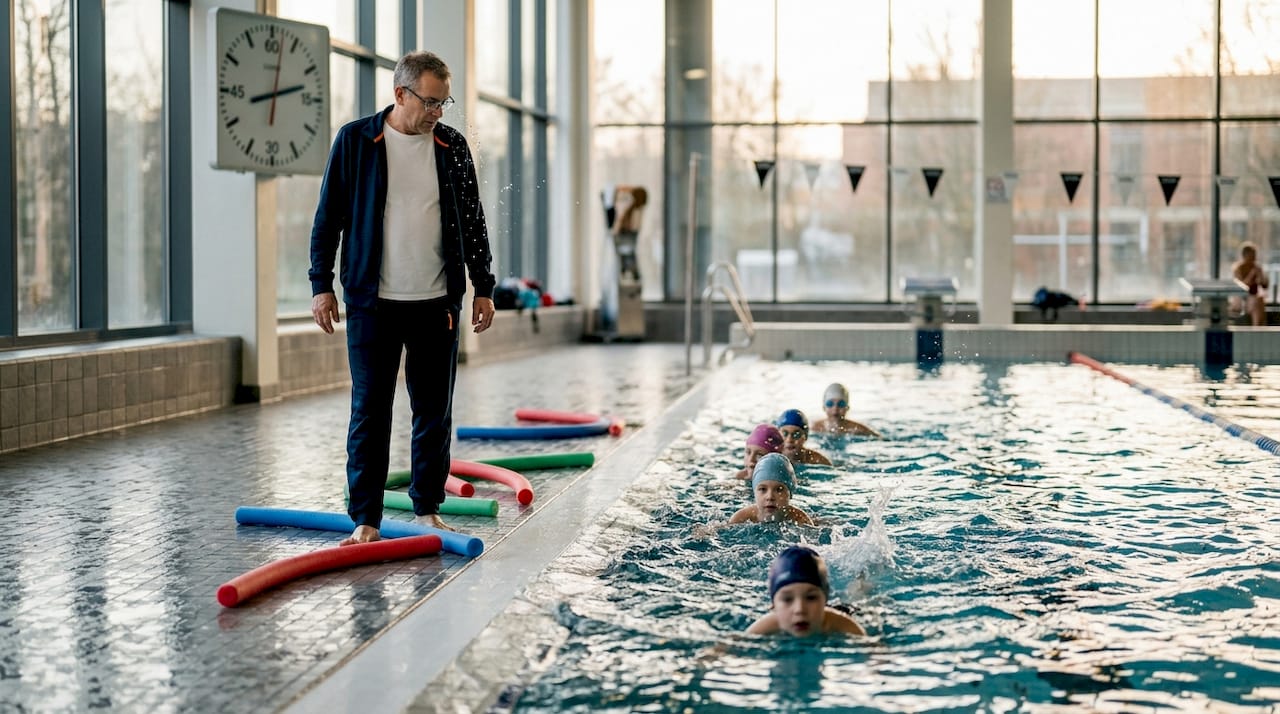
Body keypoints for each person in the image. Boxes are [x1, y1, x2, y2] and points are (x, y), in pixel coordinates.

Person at [309, 51, 497, 546]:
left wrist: (484, 286)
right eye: (431, 101)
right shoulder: (356, 141)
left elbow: (473, 222)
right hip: (373, 303)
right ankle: (366, 519)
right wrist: (320, 285)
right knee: (370, 409)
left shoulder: (451, 146)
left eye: (444, 102)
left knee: (434, 411)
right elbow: (328, 218)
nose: (438, 111)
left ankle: (427, 509)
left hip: (437, 303)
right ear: (401, 94)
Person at [746, 546, 865, 638]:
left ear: (825, 599)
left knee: (855, 599)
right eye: (788, 599)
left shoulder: (842, 624)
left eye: (811, 597)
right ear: (773, 605)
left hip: (842, 612)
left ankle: (860, 584)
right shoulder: (768, 625)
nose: (800, 609)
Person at [728, 453, 814, 526]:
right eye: (763, 489)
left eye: (779, 490)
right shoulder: (741, 518)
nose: (770, 497)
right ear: (754, 492)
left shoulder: (800, 519)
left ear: (790, 493)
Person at [811, 383, 881, 438]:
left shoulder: (857, 430)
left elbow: (880, 438)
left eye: (841, 404)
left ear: (847, 408)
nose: (835, 409)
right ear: (824, 407)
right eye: (830, 404)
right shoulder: (815, 427)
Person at [1232, 242, 1270, 327]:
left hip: (1254, 298)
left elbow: (1265, 286)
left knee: (1258, 300)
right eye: (1252, 255)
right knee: (1256, 301)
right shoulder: (1238, 268)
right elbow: (1240, 287)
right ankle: (1257, 328)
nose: (1254, 257)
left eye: (1254, 255)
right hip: (1242, 299)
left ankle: (1257, 328)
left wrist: (1261, 278)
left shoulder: (1257, 267)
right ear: (1245, 255)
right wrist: (1251, 275)